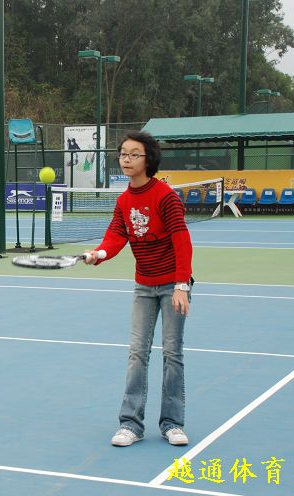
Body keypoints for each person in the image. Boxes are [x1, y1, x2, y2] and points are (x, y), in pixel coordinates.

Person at [83, 130, 193, 448]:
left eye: (134, 154)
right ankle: (131, 424)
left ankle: (172, 423)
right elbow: (116, 236)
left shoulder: (166, 197)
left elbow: (181, 242)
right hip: (144, 285)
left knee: (172, 354)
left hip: (173, 284)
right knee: (137, 354)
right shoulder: (123, 201)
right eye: (123, 153)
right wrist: (99, 254)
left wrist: (182, 286)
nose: (126, 159)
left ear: (148, 160)